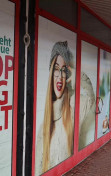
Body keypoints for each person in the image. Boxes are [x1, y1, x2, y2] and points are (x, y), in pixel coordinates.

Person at [35, 41, 75, 175]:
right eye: (56, 69)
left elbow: (91, 99)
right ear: (51, 73)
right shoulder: (43, 128)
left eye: (64, 71)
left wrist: (76, 76)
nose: (59, 77)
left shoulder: (72, 111)